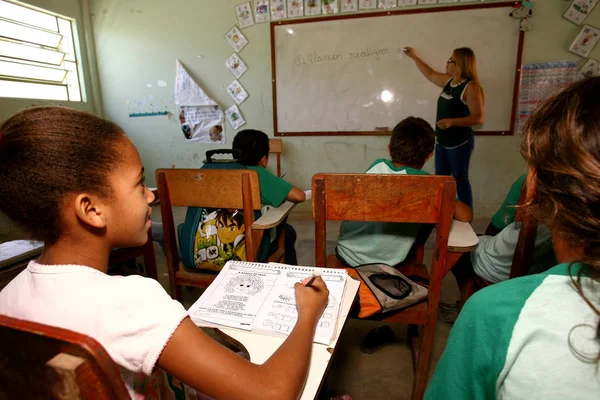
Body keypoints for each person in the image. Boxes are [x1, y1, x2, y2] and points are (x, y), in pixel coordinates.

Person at [0, 107, 329, 399]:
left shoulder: (8, 297)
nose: (150, 197)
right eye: (139, 184)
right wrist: (308, 314)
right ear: (92, 209)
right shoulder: (131, 301)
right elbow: (271, 393)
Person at [425, 78, 600, 399]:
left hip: (493, 261)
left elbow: (489, 223)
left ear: (534, 186)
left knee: (462, 244)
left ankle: (462, 297)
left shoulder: (494, 313)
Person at [336, 117, 473, 268]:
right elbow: (466, 215)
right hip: (388, 264)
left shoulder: (377, 166)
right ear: (429, 156)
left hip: (346, 254)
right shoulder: (433, 185)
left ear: (389, 148)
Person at [404, 46, 484, 208]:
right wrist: (413, 56)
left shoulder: (471, 87)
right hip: (442, 141)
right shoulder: (449, 82)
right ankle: (441, 214)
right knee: (440, 180)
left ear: (461, 64)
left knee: (460, 179)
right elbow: (430, 74)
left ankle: (465, 216)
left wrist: (452, 122)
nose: (447, 63)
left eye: (450, 60)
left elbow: (478, 117)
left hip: (459, 143)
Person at [232, 129, 306, 265]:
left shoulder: (220, 170)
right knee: (288, 232)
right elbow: (299, 196)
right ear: (263, 158)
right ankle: (289, 277)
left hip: (223, 236)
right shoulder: (258, 173)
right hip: (250, 242)